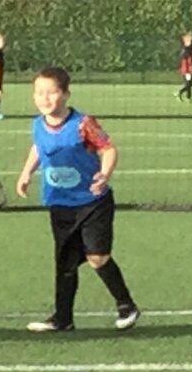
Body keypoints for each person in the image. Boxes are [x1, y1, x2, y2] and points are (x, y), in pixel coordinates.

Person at [14, 66, 139, 333]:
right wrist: (26, 173)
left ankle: (126, 305)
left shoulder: (83, 124)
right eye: (39, 93)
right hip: (60, 203)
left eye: (51, 92)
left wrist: (104, 173)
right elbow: (38, 147)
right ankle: (63, 318)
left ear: (66, 94)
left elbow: (108, 149)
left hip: (92, 202)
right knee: (65, 263)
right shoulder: (37, 124)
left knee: (97, 257)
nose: (44, 98)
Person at [176, 32, 192, 102]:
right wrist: (190, 68)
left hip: (187, 69)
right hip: (186, 69)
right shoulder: (186, 51)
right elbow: (187, 62)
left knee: (190, 83)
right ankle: (179, 93)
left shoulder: (187, 51)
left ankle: (188, 97)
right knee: (189, 83)